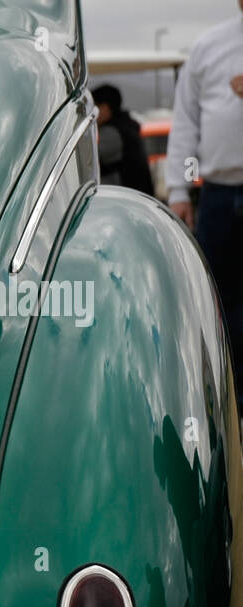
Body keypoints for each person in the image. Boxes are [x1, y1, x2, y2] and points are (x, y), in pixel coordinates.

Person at [167, 3, 243, 361]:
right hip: (217, 197)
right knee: (217, 303)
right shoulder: (208, 47)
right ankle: (231, 403)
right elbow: (186, 127)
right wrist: (181, 188)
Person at [91, 85, 156, 196]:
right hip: (138, 194)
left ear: (105, 108)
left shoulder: (112, 132)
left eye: (94, 107)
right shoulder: (126, 126)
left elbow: (89, 158)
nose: (92, 114)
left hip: (124, 197)